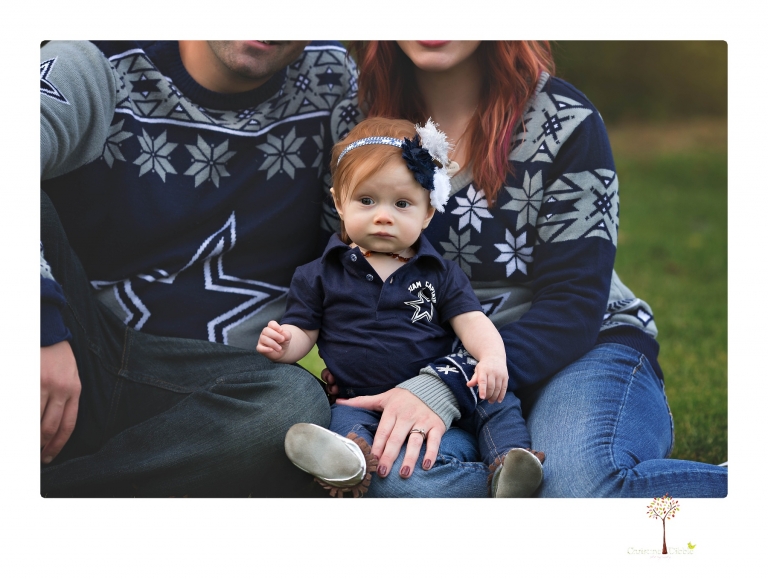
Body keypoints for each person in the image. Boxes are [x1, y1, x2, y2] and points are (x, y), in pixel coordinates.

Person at [326, 40, 728, 497]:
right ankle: (523, 487)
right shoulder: (360, 131)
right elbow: (343, 263)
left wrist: (446, 384)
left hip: (580, 353)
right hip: (426, 370)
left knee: (581, 488)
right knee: (396, 481)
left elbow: (574, 307)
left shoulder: (565, 121)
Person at [39, 40, 359, 496]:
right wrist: (39, 323)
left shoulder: (333, 80)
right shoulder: (96, 57)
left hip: (224, 389)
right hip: (78, 346)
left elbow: (363, 247)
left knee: (294, 403)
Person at [257, 117, 545, 497]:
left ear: (427, 213)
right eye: (366, 200)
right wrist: (284, 343)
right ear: (340, 203)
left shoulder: (438, 272)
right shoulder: (320, 274)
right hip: (361, 397)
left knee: (495, 399)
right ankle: (349, 463)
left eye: (402, 203)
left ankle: (510, 464)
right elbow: (303, 329)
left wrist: (492, 357)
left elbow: (471, 321)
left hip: (440, 392)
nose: (383, 215)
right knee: (342, 418)